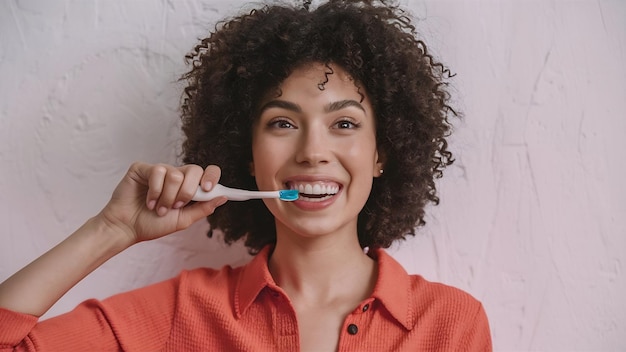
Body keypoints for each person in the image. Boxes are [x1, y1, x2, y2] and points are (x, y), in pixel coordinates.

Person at [0, 0, 491, 351]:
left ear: (383, 153)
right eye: (283, 123)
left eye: (344, 124)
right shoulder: (180, 315)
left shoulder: (450, 325)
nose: (313, 151)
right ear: (248, 156)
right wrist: (112, 230)